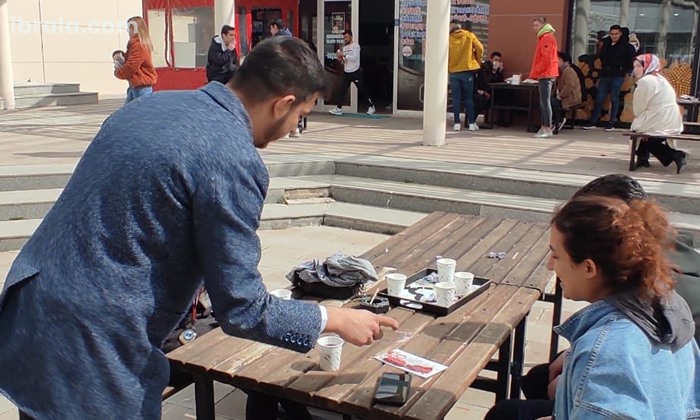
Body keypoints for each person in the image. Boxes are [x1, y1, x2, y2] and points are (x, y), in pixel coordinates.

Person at [0, 36, 399, 419]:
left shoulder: (148, 108)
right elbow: (243, 309)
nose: (293, 128)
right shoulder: (233, 158)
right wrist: (334, 319)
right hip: (92, 344)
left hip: (31, 307)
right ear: (284, 104)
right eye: (301, 117)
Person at [485, 173, 700, 420]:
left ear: (589, 268)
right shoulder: (669, 307)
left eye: (556, 255)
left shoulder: (608, 353)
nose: (550, 265)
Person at [631, 54, 688, 173]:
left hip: (659, 120)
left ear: (647, 66)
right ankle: (642, 156)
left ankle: (675, 154)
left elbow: (638, 110)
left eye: (638, 66)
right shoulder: (661, 79)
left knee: (638, 129)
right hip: (672, 120)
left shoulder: (645, 81)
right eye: (634, 66)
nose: (635, 70)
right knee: (647, 136)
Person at [583, 25, 636, 131]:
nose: (614, 36)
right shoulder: (606, 44)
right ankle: (593, 121)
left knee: (614, 98)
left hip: (618, 74)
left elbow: (631, 60)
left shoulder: (626, 46)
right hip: (605, 74)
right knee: (600, 98)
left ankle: (611, 122)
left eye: (616, 34)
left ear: (620, 34)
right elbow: (602, 57)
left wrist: (626, 72)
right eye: (612, 34)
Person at [328, 30, 376, 116]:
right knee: (342, 90)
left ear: (351, 36)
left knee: (362, 89)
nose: (345, 39)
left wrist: (344, 55)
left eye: (346, 37)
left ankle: (371, 106)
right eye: (344, 38)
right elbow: (346, 61)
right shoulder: (345, 48)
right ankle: (339, 108)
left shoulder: (356, 46)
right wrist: (340, 59)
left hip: (355, 71)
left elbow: (354, 58)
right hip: (347, 72)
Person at [447, 20, 483, 132]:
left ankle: (457, 123)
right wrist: (478, 60)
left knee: (456, 99)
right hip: (467, 70)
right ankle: (471, 123)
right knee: (468, 98)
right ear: (460, 27)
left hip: (453, 71)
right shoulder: (469, 35)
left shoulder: (448, 38)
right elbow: (480, 48)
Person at [114, 16, 157, 104]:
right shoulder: (137, 44)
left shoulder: (138, 45)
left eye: (129, 28)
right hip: (136, 85)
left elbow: (131, 66)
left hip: (141, 87)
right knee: (130, 114)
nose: (127, 31)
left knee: (134, 114)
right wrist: (120, 55)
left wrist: (118, 72)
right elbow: (132, 60)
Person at [530, 17, 559, 138]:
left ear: (542, 26)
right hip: (545, 73)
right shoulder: (545, 37)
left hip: (546, 74)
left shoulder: (546, 38)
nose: (534, 28)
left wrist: (535, 73)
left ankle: (547, 128)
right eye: (534, 25)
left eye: (536, 25)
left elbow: (546, 58)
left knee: (545, 102)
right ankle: (544, 127)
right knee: (543, 102)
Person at [551, 51, 582, 134]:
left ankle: (559, 120)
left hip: (570, 98)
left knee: (552, 102)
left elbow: (569, 86)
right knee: (548, 101)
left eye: (558, 60)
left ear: (565, 61)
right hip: (565, 96)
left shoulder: (568, 70)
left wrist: (560, 96)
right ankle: (553, 121)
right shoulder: (560, 71)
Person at [474, 51, 504, 123]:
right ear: (491, 59)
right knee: (483, 101)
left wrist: (500, 71)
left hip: (492, 90)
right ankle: (472, 120)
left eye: (499, 60)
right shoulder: (485, 66)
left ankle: (501, 120)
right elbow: (486, 81)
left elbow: (500, 80)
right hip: (481, 89)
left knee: (505, 96)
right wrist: (494, 71)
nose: (497, 62)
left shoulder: (498, 68)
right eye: (495, 60)